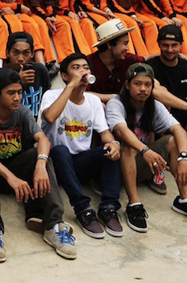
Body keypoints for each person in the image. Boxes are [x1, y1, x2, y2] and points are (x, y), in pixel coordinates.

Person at [0, 68, 77, 262]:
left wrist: (40, 164)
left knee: (41, 155)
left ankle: (54, 225)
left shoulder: (22, 111)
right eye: (11, 93)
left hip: (15, 172)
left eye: (19, 92)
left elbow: (42, 139)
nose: (17, 97)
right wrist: (10, 177)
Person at [108, 62, 187, 232]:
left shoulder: (154, 105)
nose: (143, 89)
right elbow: (121, 130)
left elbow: (178, 129)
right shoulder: (117, 103)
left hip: (140, 165)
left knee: (172, 140)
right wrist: (145, 150)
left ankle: (185, 200)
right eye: (138, 84)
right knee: (128, 145)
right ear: (127, 85)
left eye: (147, 85)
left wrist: (184, 157)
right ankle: (134, 205)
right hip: (115, 165)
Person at [41, 54, 123, 239]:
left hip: (79, 162)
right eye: (76, 68)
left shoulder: (93, 101)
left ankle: (108, 208)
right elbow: (50, 117)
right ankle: (83, 209)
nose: (83, 72)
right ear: (64, 76)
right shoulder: (52, 95)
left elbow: (104, 133)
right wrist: (71, 86)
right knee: (61, 150)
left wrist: (114, 144)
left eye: (85, 68)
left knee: (109, 149)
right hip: (55, 162)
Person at [0, 32, 51, 120]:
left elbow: (48, 101)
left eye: (26, 53)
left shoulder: (40, 71)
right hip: (5, 130)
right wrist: (16, 81)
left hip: (30, 129)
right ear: (7, 53)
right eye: (16, 53)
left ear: (32, 53)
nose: (21, 58)